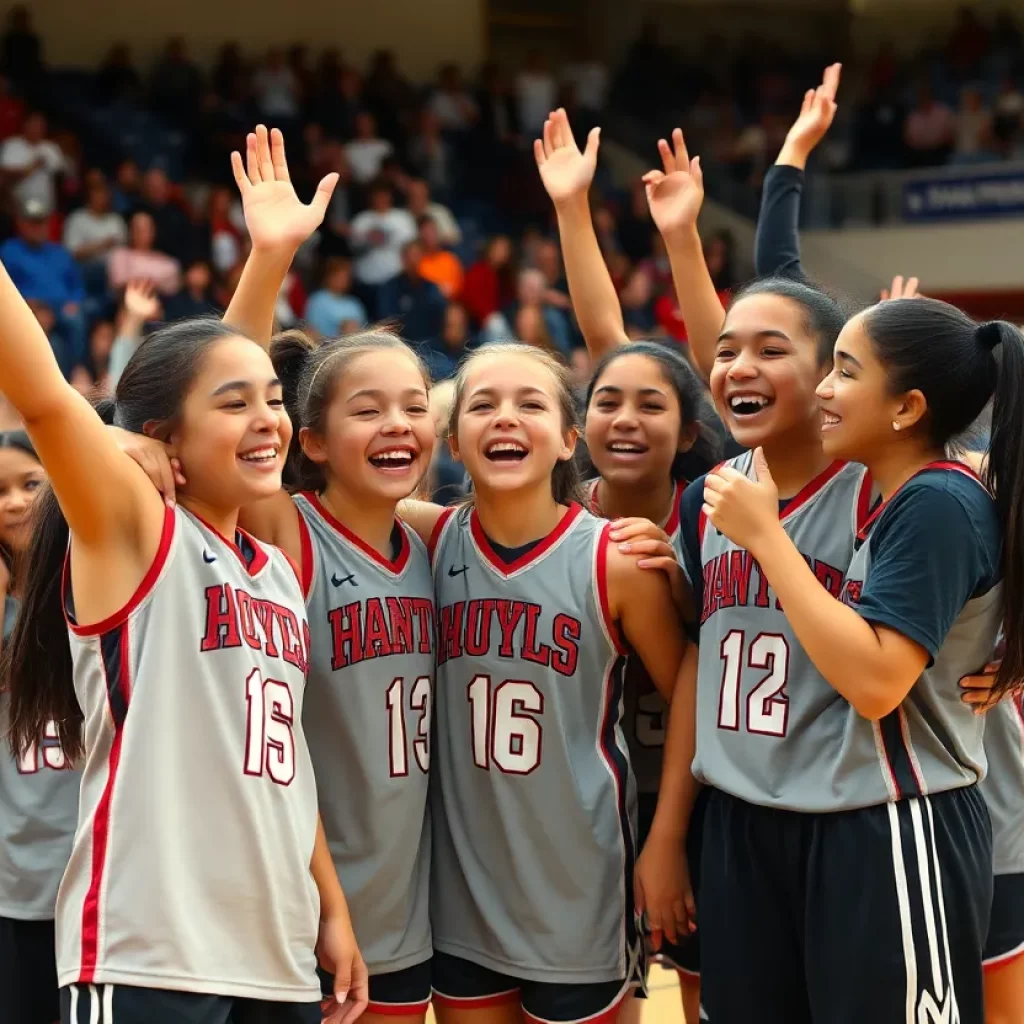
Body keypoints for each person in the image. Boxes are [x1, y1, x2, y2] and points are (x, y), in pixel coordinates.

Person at [0, 122, 367, 1024]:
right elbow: (48, 397)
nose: (268, 421)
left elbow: (280, 765)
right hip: (150, 950)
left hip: (274, 952)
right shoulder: (136, 537)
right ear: (161, 441)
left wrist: (330, 902)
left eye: (275, 401)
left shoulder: (275, 570)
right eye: (238, 406)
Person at [121, 128, 437, 1024]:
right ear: (313, 443)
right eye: (367, 409)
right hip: (284, 899)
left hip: (405, 910)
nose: (397, 425)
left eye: (415, 408)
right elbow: (226, 397)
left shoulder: (437, 544)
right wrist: (269, 257)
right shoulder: (285, 534)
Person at [699, 297, 1023, 1024]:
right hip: (786, 820)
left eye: (844, 371)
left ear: (906, 407)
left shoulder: (938, 500)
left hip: (895, 824)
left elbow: (877, 683)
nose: (822, 389)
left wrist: (769, 541)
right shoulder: (897, 490)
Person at [394, 341, 693, 1024]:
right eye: (482, 405)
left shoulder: (616, 559)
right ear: (453, 442)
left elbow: (690, 702)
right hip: (461, 896)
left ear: (567, 440)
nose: (505, 418)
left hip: (582, 887)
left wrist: (666, 839)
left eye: (530, 404)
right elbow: (292, 494)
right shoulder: (427, 538)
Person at [0, 431, 80, 1024]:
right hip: (16, 882)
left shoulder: (96, 586)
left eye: (31, 483)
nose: (17, 501)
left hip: (97, 878)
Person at [0, 198, 87, 371]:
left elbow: (77, 287)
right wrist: (29, 307)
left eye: (40, 222)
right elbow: (5, 291)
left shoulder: (59, 252)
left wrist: (73, 302)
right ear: (21, 223)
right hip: (28, 309)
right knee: (52, 341)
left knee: (75, 318)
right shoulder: (9, 251)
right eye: (32, 222)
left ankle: (79, 369)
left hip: (61, 308)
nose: (37, 227)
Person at [349, 181, 417, 297]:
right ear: (371, 198)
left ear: (390, 196)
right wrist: (369, 240)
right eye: (377, 196)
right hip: (367, 281)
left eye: (384, 195)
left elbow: (413, 250)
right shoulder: (361, 220)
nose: (381, 199)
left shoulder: (403, 218)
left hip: (396, 281)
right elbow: (353, 250)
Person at [378, 241, 446, 345]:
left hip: (430, 344)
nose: (413, 261)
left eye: (417, 256)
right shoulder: (390, 288)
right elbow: (387, 320)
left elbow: (441, 316)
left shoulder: (431, 287)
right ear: (403, 259)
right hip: (401, 343)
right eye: (410, 257)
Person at [0, 112, 66, 212]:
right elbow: (4, 173)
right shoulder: (11, 145)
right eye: (34, 125)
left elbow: (60, 172)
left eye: (41, 126)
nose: (37, 129)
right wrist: (31, 167)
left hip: (45, 205)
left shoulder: (51, 148)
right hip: (16, 206)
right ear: (25, 126)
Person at [107, 210, 181, 296]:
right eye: (137, 229)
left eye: (146, 229)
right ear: (131, 232)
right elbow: (118, 284)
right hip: (125, 303)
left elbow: (173, 286)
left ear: (153, 232)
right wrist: (150, 284)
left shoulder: (167, 262)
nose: (141, 233)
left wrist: (141, 282)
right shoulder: (120, 255)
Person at [304, 258, 367, 339]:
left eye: (346, 277)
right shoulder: (317, 300)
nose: (342, 280)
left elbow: (363, 330)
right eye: (339, 276)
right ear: (329, 277)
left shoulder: (355, 303)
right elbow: (312, 329)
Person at [416, 216, 463, 300]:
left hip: (450, 304)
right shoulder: (417, 261)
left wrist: (449, 291)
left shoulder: (449, 258)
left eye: (432, 230)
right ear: (420, 235)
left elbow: (459, 286)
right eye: (425, 232)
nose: (430, 235)